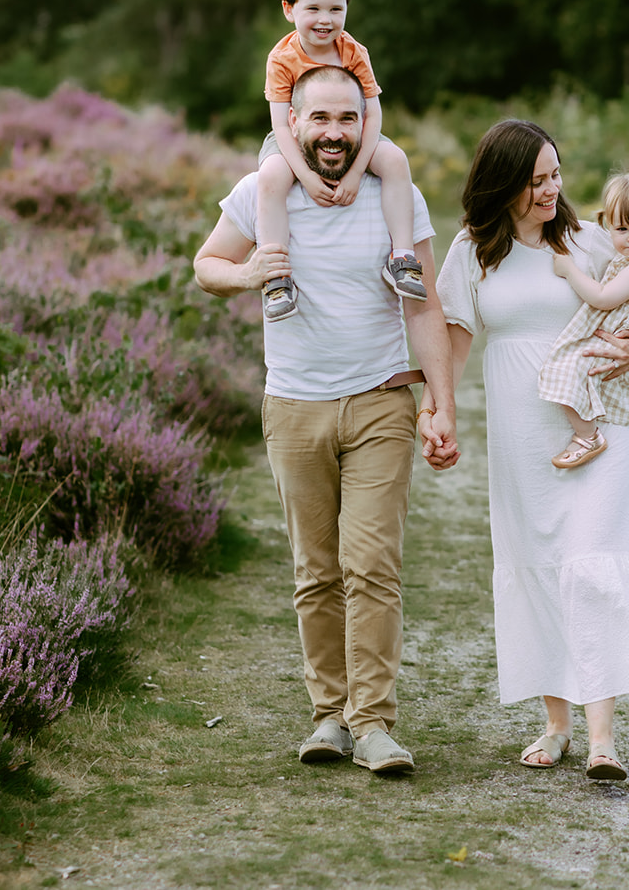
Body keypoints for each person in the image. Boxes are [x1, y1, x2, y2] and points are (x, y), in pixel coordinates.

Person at [193, 65, 458, 777]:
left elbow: (424, 305)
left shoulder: (396, 195)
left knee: (371, 566)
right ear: (296, 122)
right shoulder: (264, 189)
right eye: (321, 119)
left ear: (364, 120)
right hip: (294, 407)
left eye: (348, 118)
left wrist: (442, 400)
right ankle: (329, 715)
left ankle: (373, 724)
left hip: (379, 403)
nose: (335, 133)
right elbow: (208, 263)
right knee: (316, 572)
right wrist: (250, 274)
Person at [428, 119, 629, 781]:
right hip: (521, 431)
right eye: (536, 181)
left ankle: (602, 736)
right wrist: (436, 410)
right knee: (536, 564)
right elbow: (454, 340)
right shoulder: (474, 251)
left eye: (556, 174)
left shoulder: (588, 242)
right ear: (503, 184)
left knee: (591, 564)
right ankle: (556, 722)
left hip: (597, 424)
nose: (552, 190)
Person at [254, 0, 424, 323]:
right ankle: (277, 276)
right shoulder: (282, 58)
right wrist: (306, 176)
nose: (326, 20)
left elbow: (373, 113)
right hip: (294, 137)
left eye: (336, 9)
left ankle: (402, 258)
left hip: (355, 131)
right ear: (289, 9)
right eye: (313, 9)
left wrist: (354, 172)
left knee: (395, 160)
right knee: (269, 177)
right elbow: (282, 124)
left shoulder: (352, 51)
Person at [538, 173, 629, 469]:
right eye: (622, 228)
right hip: (620, 344)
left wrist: (569, 270)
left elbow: (602, 297)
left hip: (617, 349)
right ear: (607, 226)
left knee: (567, 368)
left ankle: (588, 436)